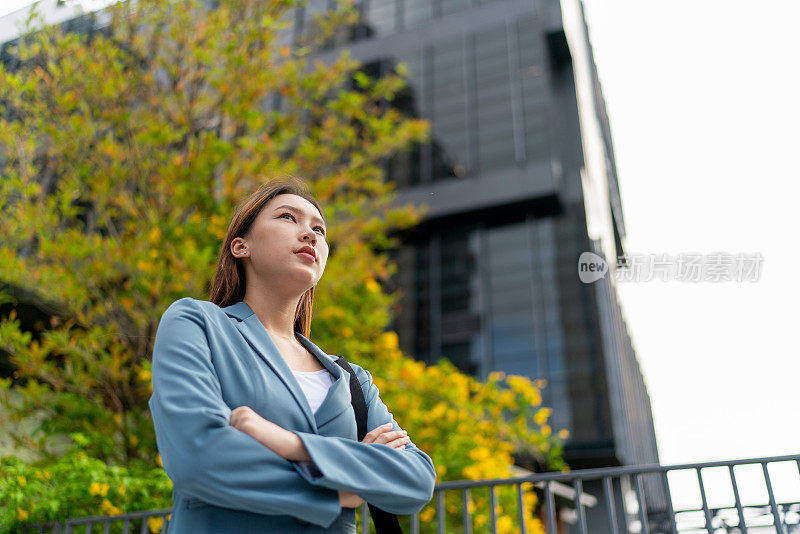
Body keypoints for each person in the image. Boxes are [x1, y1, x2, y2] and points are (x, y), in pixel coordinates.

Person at [148, 177, 437, 533]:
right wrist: (339, 490)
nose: (310, 234)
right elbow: (197, 456)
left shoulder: (351, 379)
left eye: (319, 228)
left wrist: (291, 444)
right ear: (241, 246)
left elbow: (417, 479)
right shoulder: (197, 323)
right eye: (288, 218)